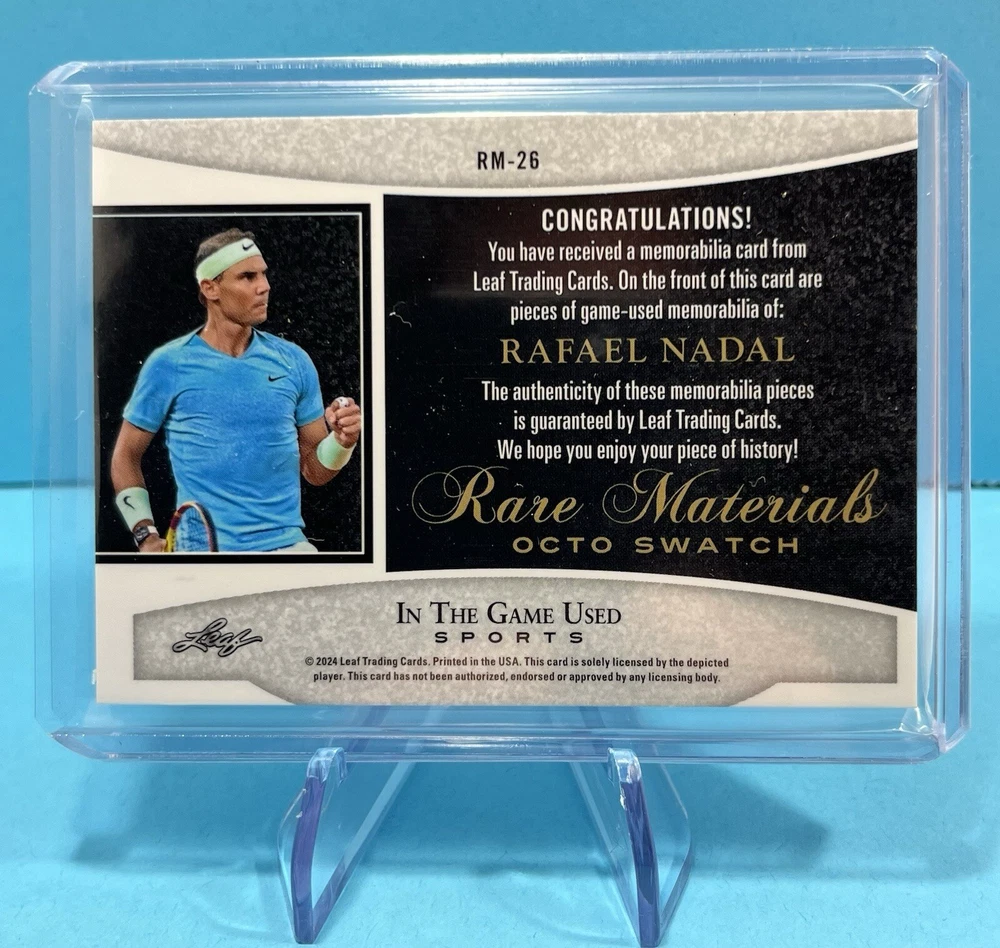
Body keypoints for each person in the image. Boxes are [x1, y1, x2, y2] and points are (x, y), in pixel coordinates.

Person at [110, 228, 361, 552]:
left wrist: (341, 442)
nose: (264, 286)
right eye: (247, 276)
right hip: (206, 557)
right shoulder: (168, 364)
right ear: (210, 288)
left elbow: (313, 470)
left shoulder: (294, 361)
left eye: (264, 274)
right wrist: (145, 535)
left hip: (288, 550)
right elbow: (125, 455)